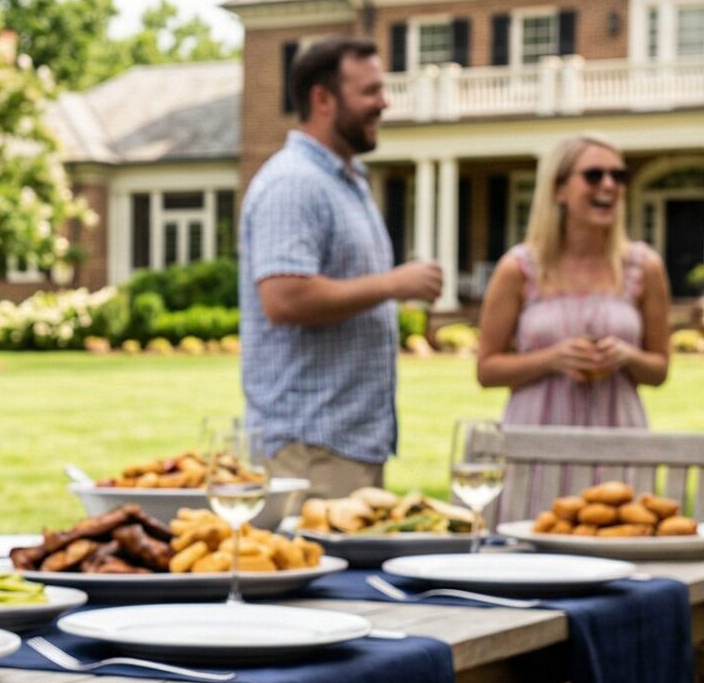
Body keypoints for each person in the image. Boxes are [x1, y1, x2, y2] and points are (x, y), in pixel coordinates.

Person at [239, 37, 444, 497]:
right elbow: (285, 297)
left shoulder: (347, 180)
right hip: (310, 449)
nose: (384, 102)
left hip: (350, 443)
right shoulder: (294, 182)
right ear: (322, 99)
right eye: (370, 91)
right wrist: (394, 284)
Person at [474, 135, 670, 426]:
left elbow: (659, 370)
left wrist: (626, 356)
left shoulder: (643, 267)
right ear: (558, 190)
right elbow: (487, 371)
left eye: (618, 176)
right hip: (536, 437)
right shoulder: (518, 269)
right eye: (594, 175)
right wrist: (552, 359)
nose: (609, 185)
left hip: (617, 433)